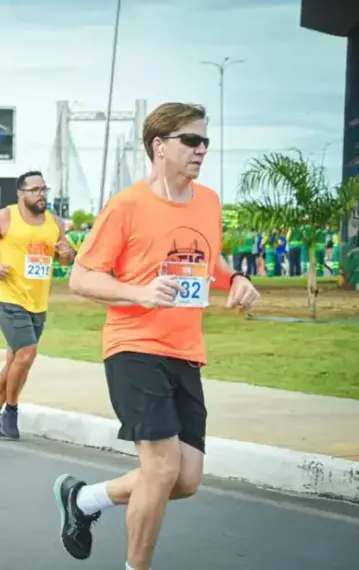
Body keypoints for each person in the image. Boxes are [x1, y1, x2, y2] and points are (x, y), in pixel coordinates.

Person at [52, 103, 260, 570]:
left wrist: (237, 278)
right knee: (161, 468)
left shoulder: (207, 201)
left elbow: (208, 260)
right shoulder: (127, 205)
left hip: (185, 352)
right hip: (133, 347)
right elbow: (82, 277)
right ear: (159, 146)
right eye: (191, 140)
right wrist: (139, 292)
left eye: (205, 140)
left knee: (184, 480)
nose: (201, 149)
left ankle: (84, 500)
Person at [0, 170, 75, 440]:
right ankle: (11, 411)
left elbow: (66, 257)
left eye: (44, 189)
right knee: (27, 353)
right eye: (35, 189)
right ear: (21, 193)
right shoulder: (6, 216)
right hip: (8, 297)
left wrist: (66, 254)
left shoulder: (54, 223)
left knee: (17, 360)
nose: (41, 194)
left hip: (37, 302)